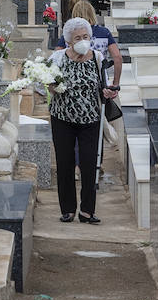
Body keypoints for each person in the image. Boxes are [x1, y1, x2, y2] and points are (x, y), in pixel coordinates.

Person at [48, 17, 117, 224]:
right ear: (69, 41)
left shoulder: (97, 57)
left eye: (86, 36)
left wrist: (107, 92)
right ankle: (68, 209)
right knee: (65, 163)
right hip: (62, 118)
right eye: (77, 37)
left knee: (90, 164)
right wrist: (51, 85)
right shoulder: (58, 58)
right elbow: (45, 82)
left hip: (91, 119)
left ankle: (87, 210)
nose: (82, 40)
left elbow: (103, 85)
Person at [56, 0, 122, 97]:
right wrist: (115, 84)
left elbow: (57, 57)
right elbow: (117, 57)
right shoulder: (104, 32)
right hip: (99, 81)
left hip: (72, 81)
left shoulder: (69, 34)